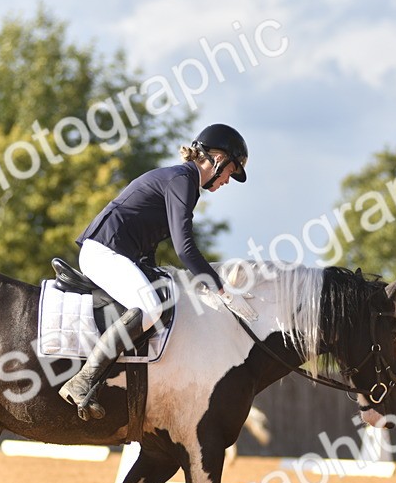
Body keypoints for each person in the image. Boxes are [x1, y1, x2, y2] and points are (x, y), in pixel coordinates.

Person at [58, 123, 257, 420]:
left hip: (114, 252)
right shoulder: (182, 181)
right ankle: (82, 381)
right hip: (104, 252)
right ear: (217, 159)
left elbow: (147, 238)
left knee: (161, 296)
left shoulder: (183, 182)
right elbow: (185, 250)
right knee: (149, 308)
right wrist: (222, 291)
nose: (229, 180)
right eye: (231, 171)